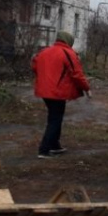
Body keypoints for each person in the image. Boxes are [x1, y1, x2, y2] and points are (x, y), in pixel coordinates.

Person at [31, 31, 92, 159]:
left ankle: (55, 145)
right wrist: (86, 88)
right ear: (68, 41)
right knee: (55, 119)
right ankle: (44, 149)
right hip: (57, 92)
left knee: (55, 117)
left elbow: (35, 65)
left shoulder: (44, 52)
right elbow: (77, 74)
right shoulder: (68, 53)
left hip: (44, 91)